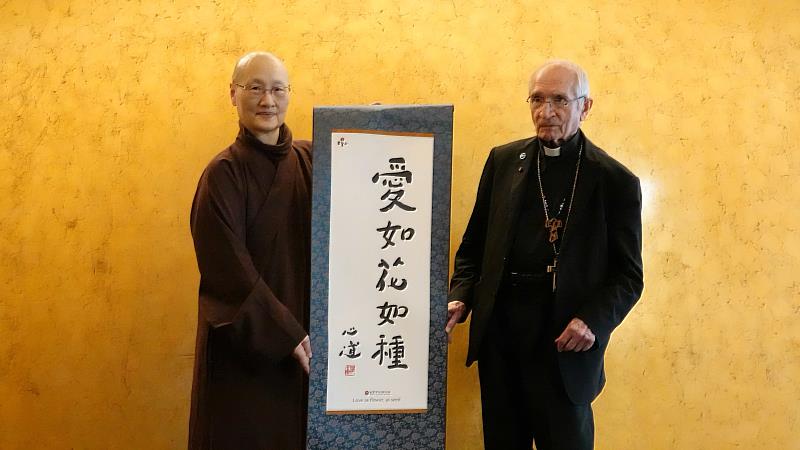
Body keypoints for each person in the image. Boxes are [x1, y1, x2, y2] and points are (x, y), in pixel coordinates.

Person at [445, 60, 643, 450]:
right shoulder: (503, 161)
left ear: (585, 107)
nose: (545, 111)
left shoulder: (614, 180)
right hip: (502, 335)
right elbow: (474, 245)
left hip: (563, 340)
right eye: (537, 99)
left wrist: (592, 320)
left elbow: (628, 276)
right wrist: (461, 294)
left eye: (559, 100)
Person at [188, 52, 313, 450]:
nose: (267, 100)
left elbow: (364, 180)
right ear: (233, 94)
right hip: (248, 350)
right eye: (254, 88)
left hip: (306, 343)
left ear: (290, 95)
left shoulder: (312, 159)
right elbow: (227, 272)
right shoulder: (223, 173)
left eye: (277, 89)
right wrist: (285, 334)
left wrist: (375, 129)